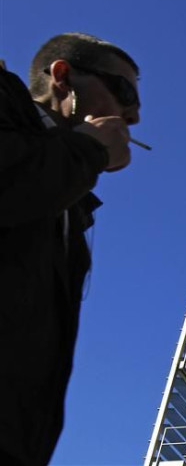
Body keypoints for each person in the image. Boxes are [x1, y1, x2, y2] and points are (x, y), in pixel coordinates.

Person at [0, 33, 140, 465]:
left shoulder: (66, 207)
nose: (133, 116)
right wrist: (90, 147)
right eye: (123, 92)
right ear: (62, 77)